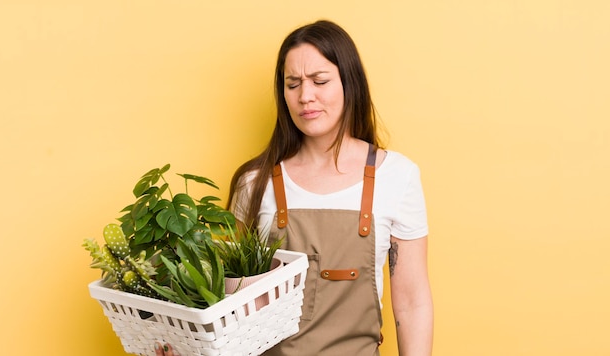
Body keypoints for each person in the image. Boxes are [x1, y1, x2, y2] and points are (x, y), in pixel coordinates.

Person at [155, 19, 433, 356]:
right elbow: (226, 299)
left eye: (320, 81)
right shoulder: (253, 182)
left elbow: (412, 304)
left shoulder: (397, 176)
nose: (305, 96)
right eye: (293, 84)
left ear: (350, 83)